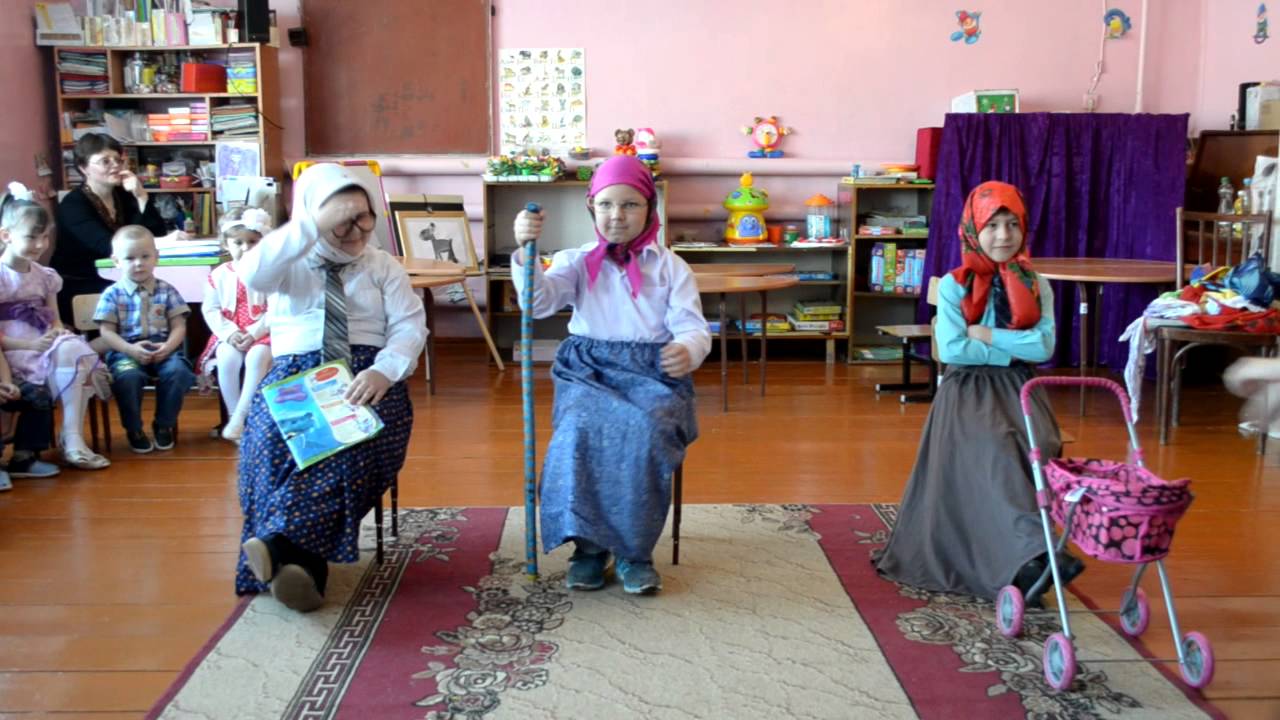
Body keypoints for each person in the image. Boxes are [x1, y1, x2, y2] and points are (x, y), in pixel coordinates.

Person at [873, 180, 1083, 606]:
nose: (1004, 236)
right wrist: (1010, 343)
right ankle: (1032, 558)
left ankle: (1027, 553)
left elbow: (1043, 347)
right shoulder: (955, 285)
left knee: (1039, 446)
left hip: (1022, 389)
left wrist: (986, 334)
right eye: (992, 226)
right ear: (972, 229)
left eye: (1012, 225)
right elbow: (952, 349)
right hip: (967, 390)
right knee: (996, 448)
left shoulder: (1037, 285)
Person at [511, 155, 710, 595]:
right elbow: (538, 303)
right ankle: (588, 547)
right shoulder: (575, 261)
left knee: (644, 431)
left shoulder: (671, 266)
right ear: (591, 208)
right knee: (577, 432)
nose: (616, 216)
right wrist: (525, 253)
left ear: (649, 209)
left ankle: (634, 550)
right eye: (605, 205)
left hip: (653, 375)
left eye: (630, 205)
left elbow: (693, 326)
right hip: (589, 372)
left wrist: (688, 349)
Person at [234, 164, 426, 612]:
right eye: (341, 219)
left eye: (364, 216)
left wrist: (385, 370)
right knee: (267, 442)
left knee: (350, 443)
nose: (355, 229)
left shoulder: (382, 266)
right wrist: (309, 228)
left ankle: (277, 546)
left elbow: (410, 326)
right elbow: (251, 275)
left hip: (366, 374)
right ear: (311, 217)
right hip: (295, 374)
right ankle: (300, 566)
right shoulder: (287, 262)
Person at [0, 190, 110, 471]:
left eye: (45, 237)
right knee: (70, 359)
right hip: (10, 349)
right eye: (31, 237)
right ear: (6, 235)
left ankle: (72, 439)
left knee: (73, 348)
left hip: (41, 342)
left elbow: (55, 320)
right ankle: (41, 448)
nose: (39, 244)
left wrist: (56, 334)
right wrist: (28, 346)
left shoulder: (46, 276)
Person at [51, 133, 188, 325]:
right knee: (149, 298)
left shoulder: (122, 195)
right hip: (82, 282)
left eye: (118, 160)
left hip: (123, 275)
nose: (115, 165)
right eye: (105, 161)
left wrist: (140, 195)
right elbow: (107, 246)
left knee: (168, 292)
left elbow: (154, 231)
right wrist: (161, 243)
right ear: (84, 168)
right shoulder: (73, 205)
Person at [92, 225, 196, 454]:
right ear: (116, 261)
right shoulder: (112, 293)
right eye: (130, 258)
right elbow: (106, 332)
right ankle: (134, 429)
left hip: (163, 348)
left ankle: (164, 424)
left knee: (178, 372)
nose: (138, 263)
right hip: (125, 350)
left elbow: (179, 325)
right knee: (128, 376)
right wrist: (130, 349)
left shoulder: (167, 290)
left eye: (145, 256)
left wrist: (168, 347)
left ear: (156, 258)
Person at [195, 207, 274, 443]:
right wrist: (230, 334)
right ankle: (233, 417)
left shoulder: (271, 273)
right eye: (238, 242)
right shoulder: (218, 275)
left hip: (263, 333)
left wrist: (253, 332)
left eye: (253, 241)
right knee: (227, 358)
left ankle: (243, 416)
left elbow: (277, 310)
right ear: (226, 244)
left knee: (256, 357)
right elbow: (210, 309)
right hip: (230, 332)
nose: (246, 248)